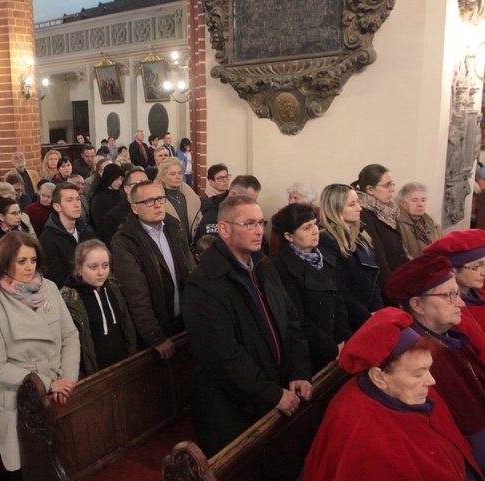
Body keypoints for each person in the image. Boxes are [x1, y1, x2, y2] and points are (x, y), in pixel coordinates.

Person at [298, 307, 483, 481]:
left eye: (428, 369)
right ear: (379, 377)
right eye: (418, 373)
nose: (431, 380)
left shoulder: (406, 391)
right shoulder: (367, 446)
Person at [182, 194, 312, 458]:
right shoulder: (203, 283)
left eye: (261, 223)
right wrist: (271, 394)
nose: (258, 230)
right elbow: (223, 356)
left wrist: (299, 369)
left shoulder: (264, 265)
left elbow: (291, 321)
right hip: (231, 409)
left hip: (273, 388)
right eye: (249, 223)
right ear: (224, 229)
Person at [0, 232, 80, 481]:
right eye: (21, 261)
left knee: (63, 464)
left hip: (59, 391)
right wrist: (47, 383)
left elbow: (70, 335)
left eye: (33, 260)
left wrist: (66, 379)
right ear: (5, 263)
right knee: (26, 474)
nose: (29, 267)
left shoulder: (51, 290)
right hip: (19, 398)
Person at [386, 254, 485, 473]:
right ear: (417, 305)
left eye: (457, 294)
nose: (460, 302)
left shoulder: (449, 334)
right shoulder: (418, 357)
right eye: (450, 295)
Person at [112, 181, 193, 358]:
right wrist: (155, 336)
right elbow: (136, 295)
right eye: (149, 201)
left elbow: (190, 274)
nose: (157, 204)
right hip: (158, 330)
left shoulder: (175, 228)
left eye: (160, 198)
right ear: (135, 208)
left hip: (186, 322)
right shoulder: (124, 242)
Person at [272, 203, 351, 374]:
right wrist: (331, 349)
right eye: (307, 228)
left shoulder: (326, 258)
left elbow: (338, 301)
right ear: (289, 236)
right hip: (308, 352)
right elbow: (297, 317)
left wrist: (343, 339)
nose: (315, 230)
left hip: (336, 343)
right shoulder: (281, 267)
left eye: (315, 224)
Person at [61, 240, 137, 377]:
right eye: (93, 267)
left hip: (124, 365)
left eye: (105, 265)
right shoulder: (69, 300)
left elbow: (126, 325)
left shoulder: (113, 288)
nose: (101, 272)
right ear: (79, 268)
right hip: (95, 374)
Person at [318, 184, 384, 331]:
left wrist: (378, 311)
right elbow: (340, 290)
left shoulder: (361, 236)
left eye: (358, 203)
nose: (359, 208)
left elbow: (373, 278)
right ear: (335, 208)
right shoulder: (326, 240)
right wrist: (367, 317)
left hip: (368, 313)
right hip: (349, 319)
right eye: (352, 204)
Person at [424, 229, 485, 362]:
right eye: (476, 267)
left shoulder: (479, 292)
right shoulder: (451, 311)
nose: (483, 272)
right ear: (453, 270)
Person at [352, 164, 409, 296]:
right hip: (387, 289)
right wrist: (395, 296)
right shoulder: (364, 214)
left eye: (392, 184)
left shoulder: (389, 211)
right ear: (370, 189)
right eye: (387, 185)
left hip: (400, 280)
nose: (392, 189)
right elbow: (379, 262)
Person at [40, 183, 96, 288]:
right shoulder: (48, 239)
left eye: (77, 199)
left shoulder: (87, 231)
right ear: (57, 206)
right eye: (69, 200)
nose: (76, 204)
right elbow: (55, 279)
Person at [158, 157, 202, 245]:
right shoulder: (158, 199)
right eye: (172, 174)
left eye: (180, 173)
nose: (177, 177)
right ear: (163, 178)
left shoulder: (190, 196)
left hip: (192, 245)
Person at [397, 181, 441, 258]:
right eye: (414, 200)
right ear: (402, 203)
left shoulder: (434, 226)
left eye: (423, 200)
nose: (420, 204)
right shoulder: (397, 224)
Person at [103, 167, 148, 243]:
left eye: (147, 182)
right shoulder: (113, 217)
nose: (145, 187)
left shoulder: (154, 208)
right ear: (127, 189)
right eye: (139, 183)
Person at [89, 163, 124, 241]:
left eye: (121, 179)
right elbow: (100, 224)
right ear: (109, 178)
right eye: (116, 179)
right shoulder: (98, 198)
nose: (119, 182)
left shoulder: (122, 193)